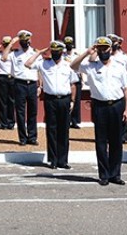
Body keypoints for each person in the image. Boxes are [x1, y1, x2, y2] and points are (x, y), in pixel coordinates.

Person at [72, 37, 127, 185]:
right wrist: (87, 52)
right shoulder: (91, 66)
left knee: (116, 141)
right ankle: (104, 175)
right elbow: (73, 66)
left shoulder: (119, 66)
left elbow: (126, 89)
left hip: (117, 105)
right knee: (101, 142)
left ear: (110, 49)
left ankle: (115, 175)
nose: (103, 51)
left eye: (105, 48)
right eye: (100, 49)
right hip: (99, 106)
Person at [25, 40, 79, 169]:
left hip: (65, 100)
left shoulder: (68, 65)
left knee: (64, 130)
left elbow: (73, 85)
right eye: (53, 51)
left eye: (57, 52)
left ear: (62, 52)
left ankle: (63, 161)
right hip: (50, 100)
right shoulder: (44, 64)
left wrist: (72, 101)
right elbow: (27, 64)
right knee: (51, 129)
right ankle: (53, 160)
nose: (55, 54)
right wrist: (40, 52)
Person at [3, 30, 39, 146]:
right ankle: (23, 138)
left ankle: (32, 137)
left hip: (32, 84)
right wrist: (11, 43)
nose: (25, 43)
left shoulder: (35, 53)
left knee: (33, 112)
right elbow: (4, 57)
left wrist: (40, 86)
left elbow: (39, 70)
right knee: (20, 112)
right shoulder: (15, 53)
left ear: (30, 40)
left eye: (27, 40)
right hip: (19, 84)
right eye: (23, 41)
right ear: (20, 41)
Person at [108, 33, 127, 144]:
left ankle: (122, 136)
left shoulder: (124, 58)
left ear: (119, 44)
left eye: (114, 43)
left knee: (122, 114)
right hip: (110, 88)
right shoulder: (105, 56)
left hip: (122, 88)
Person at [63, 37, 83, 129]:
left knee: (76, 101)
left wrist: (82, 79)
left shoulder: (76, 56)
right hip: (66, 79)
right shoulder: (62, 56)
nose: (69, 46)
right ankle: (67, 120)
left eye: (70, 44)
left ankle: (75, 121)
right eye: (67, 44)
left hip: (76, 79)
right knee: (67, 100)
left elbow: (81, 68)